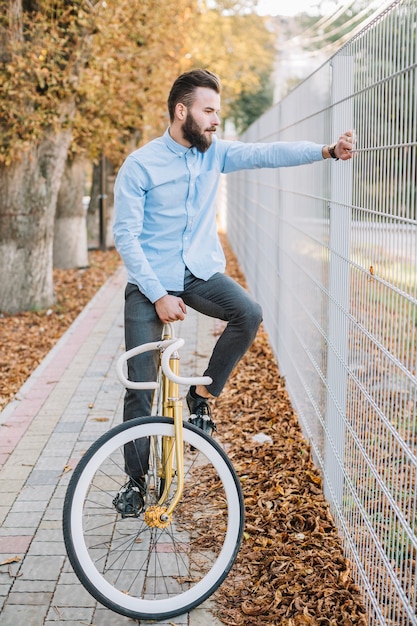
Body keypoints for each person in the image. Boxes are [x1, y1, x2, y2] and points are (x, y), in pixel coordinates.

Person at [112, 68, 354, 515]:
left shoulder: (214, 154)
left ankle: (201, 397)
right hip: (149, 282)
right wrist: (157, 295)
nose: (215, 120)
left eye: (217, 112)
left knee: (248, 313)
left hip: (197, 273)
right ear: (181, 111)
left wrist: (326, 151)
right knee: (142, 389)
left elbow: (266, 154)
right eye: (208, 111)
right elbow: (125, 237)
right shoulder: (141, 164)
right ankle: (134, 481)